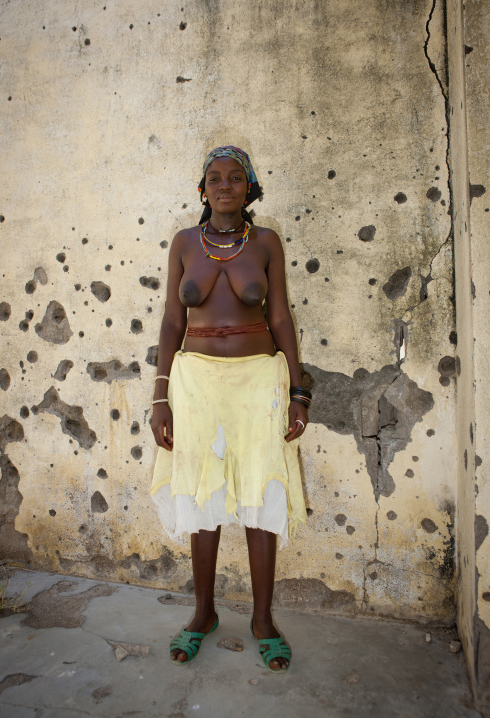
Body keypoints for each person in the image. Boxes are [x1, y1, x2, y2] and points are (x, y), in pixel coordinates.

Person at [150, 146, 310, 671]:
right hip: (195, 385)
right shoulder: (183, 244)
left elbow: (281, 318)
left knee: (261, 496)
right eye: (214, 178)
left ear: (249, 187)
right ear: (203, 189)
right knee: (203, 498)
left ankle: (263, 620)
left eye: (235, 178)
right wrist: (159, 395)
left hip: (257, 381)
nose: (224, 185)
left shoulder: (266, 243)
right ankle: (203, 614)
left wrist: (298, 392)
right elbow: (172, 323)